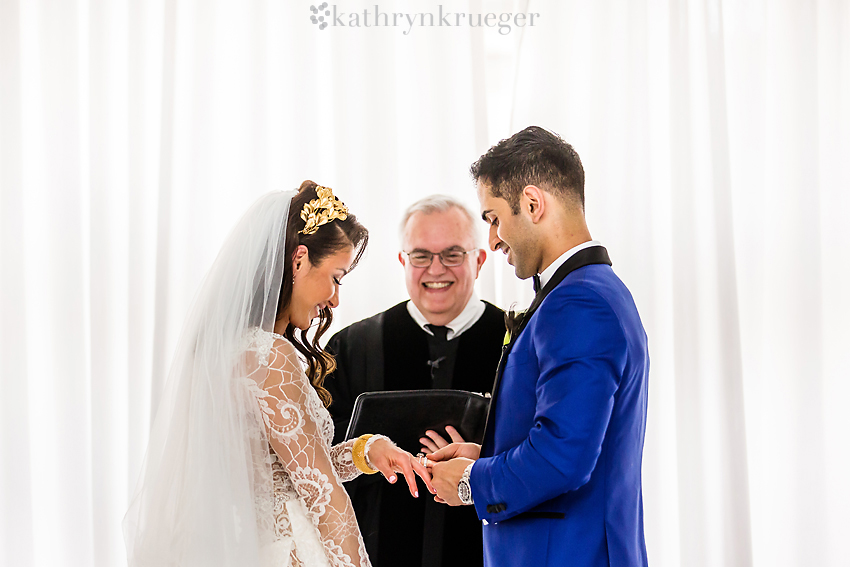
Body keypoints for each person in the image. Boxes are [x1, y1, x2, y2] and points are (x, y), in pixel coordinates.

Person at [124, 182, 432, 567]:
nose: (336, 298)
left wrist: (365, 450)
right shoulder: (270, 356)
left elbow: (279, 473)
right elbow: (321, 492)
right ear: (299, 260)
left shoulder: (227, 352)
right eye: (336, 277)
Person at [427, 127, 650, 567]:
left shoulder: (580, 303)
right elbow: (573, 434)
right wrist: (486, 452)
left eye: (493, 218)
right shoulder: (589, 292)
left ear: (532, 204)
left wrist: (472, 481)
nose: (491, 239)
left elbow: (563, 456)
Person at [324, 196, 505, 567]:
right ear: (403, 261)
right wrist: (376, 454)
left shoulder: (516, 343)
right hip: (380, 548)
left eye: (453, 254)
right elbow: (317, 445)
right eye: (421, 255)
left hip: (485, 549)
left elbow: (545, 445)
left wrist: (482, 458)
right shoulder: (354, 346)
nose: (435, 269)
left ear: (479, 260)